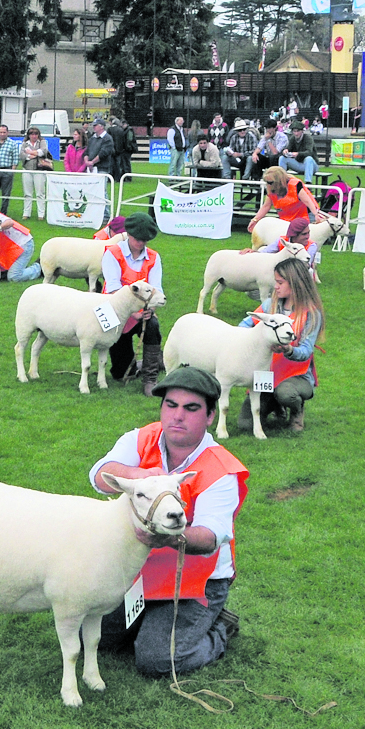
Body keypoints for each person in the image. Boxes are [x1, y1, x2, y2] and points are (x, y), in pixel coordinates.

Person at [90, 366, 248, 677]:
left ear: (210, 416)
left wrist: (168, 538)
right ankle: (152, 622)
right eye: (171, 405)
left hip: (195, 581)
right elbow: (99, 476)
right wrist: (138, 476)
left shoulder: (220, 469)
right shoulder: (141, 439)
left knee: (157, 660)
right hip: (139, 570)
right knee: (94, 639)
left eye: (191, 408)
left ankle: (220, 629)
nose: (177, 416)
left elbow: (210, 537)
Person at [236, 257, 324, 433]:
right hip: (266, 373)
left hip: (296, 375)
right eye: (275, 281)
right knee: (245, 425)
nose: (275, 286)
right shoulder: (270, 305)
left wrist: (289, 350)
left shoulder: (311, 314)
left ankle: (296, 409)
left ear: (295, 283)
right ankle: (275, 405)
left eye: (280, 282)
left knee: (286, 394)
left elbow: (306, 351)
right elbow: (243, 326)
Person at [102, 212, 163, 395]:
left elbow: (155, 289)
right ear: (128, 234)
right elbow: (113, 288)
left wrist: (148, 310)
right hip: (114, 310)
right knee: (120, 373)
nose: (141, 243)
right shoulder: (112, 253)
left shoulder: (153, 257)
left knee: (152, 325)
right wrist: (132, 313)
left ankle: (150, 378)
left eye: (145, 240)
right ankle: (153, 361)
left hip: (141, 311)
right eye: (138, 239)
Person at [246, 167, 322, 235]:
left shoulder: (295, 185)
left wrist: (316, 214)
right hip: (286, 219)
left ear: (278, 181)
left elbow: (308, 201)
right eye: (267, 182)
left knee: (305, 239)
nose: (268, 185)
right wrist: (255, 220)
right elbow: (266, 206)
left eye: (270, 182)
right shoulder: (271, 189)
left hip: (305, 215)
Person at [0, 209, 42, 282]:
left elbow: (9, 222)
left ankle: (40, 267)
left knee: (14, 277)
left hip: (22, 244)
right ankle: (15, 268)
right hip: (6, 252)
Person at [241, 215, 319, 269]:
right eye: (304, 234)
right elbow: (265, 252)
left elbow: (307, 265)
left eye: (308, 233)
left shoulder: (311, 246)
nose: (308, 236)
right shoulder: (282, 240)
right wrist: (253, 253)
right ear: (294, 235)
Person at [20, 126, 50, 220]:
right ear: (28, 135)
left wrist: (30, 152)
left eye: (36, 134)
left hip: (39, 170)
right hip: (27, 169)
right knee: (27, 193)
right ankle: (26, 213)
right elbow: (22, 155)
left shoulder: (42, 142)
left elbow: (43, 152)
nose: (34, 136)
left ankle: (41, 214)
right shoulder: (25, 143)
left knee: (40, 193)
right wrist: (32, 155)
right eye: (32, 134)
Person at [0, 124, 18, 214]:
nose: (2, 134)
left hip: (7, 170)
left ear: (7, 133)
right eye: (1, 132)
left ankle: (3, 213)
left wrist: (12, 171)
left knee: (6, 194)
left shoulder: (13, 144)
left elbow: (15, 159)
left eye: (4, 132)